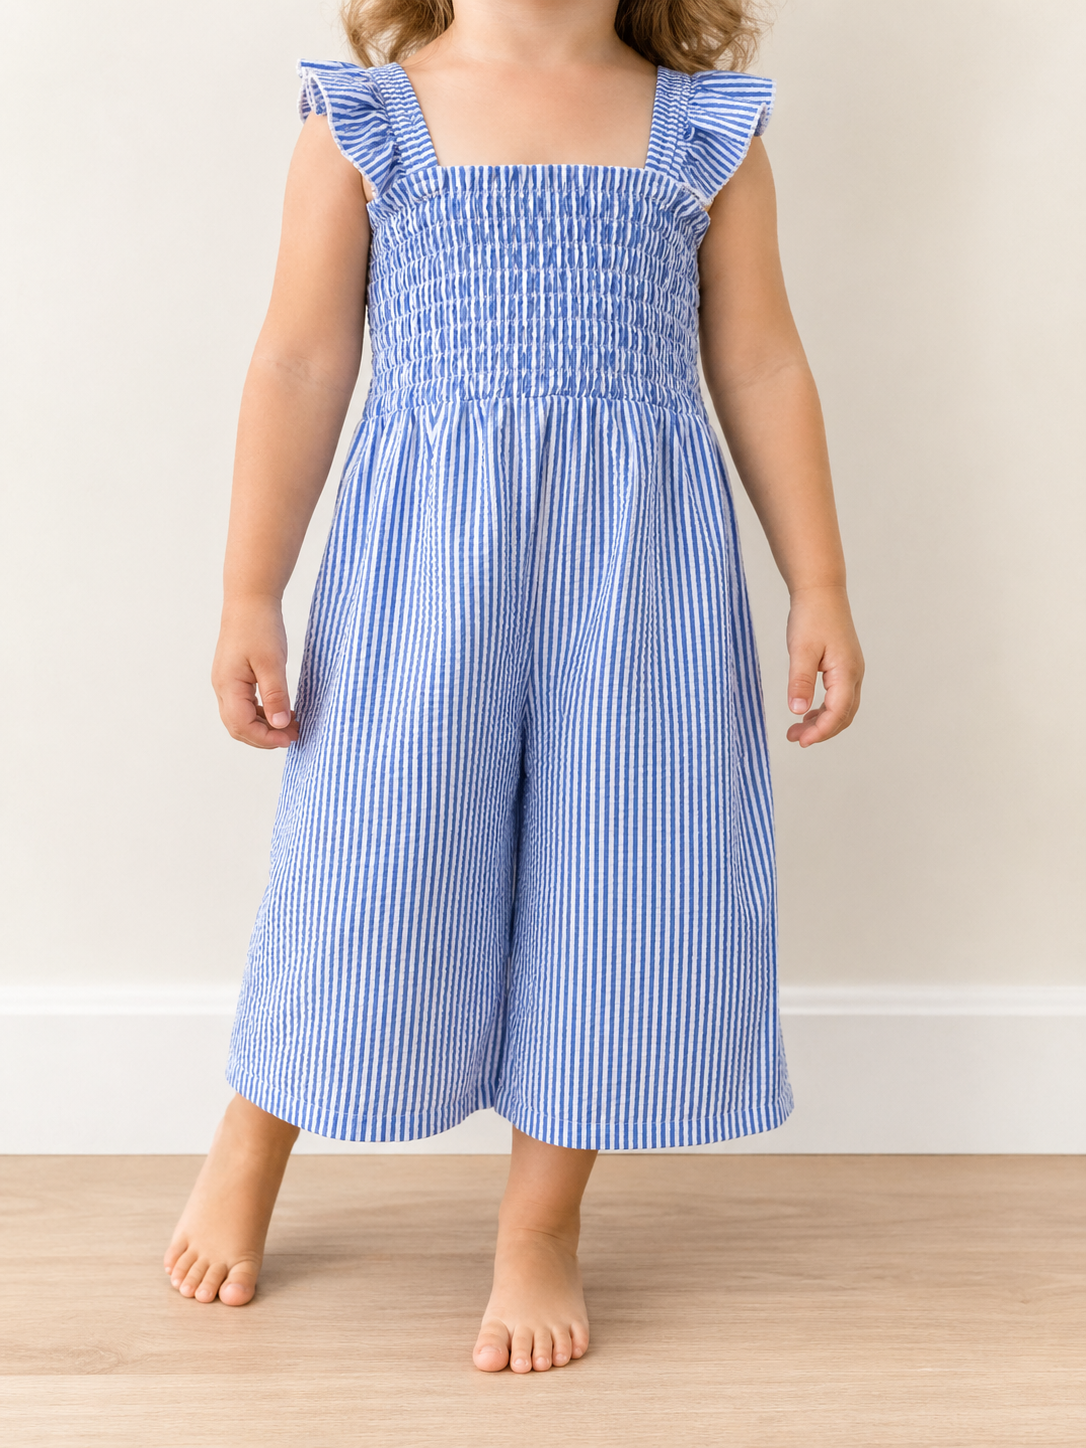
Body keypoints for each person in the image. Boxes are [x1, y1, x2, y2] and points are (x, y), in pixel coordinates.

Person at [164, 0, 864, 1374]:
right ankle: (256, 1131)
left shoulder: (701, 133)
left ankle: (540, 1225)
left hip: (642, 574)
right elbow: (301, 360)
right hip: (426, 563)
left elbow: (762, 359)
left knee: (615, 883)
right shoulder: (366, 119)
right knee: (368, 855)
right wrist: (251, 590)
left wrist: (819, 583)